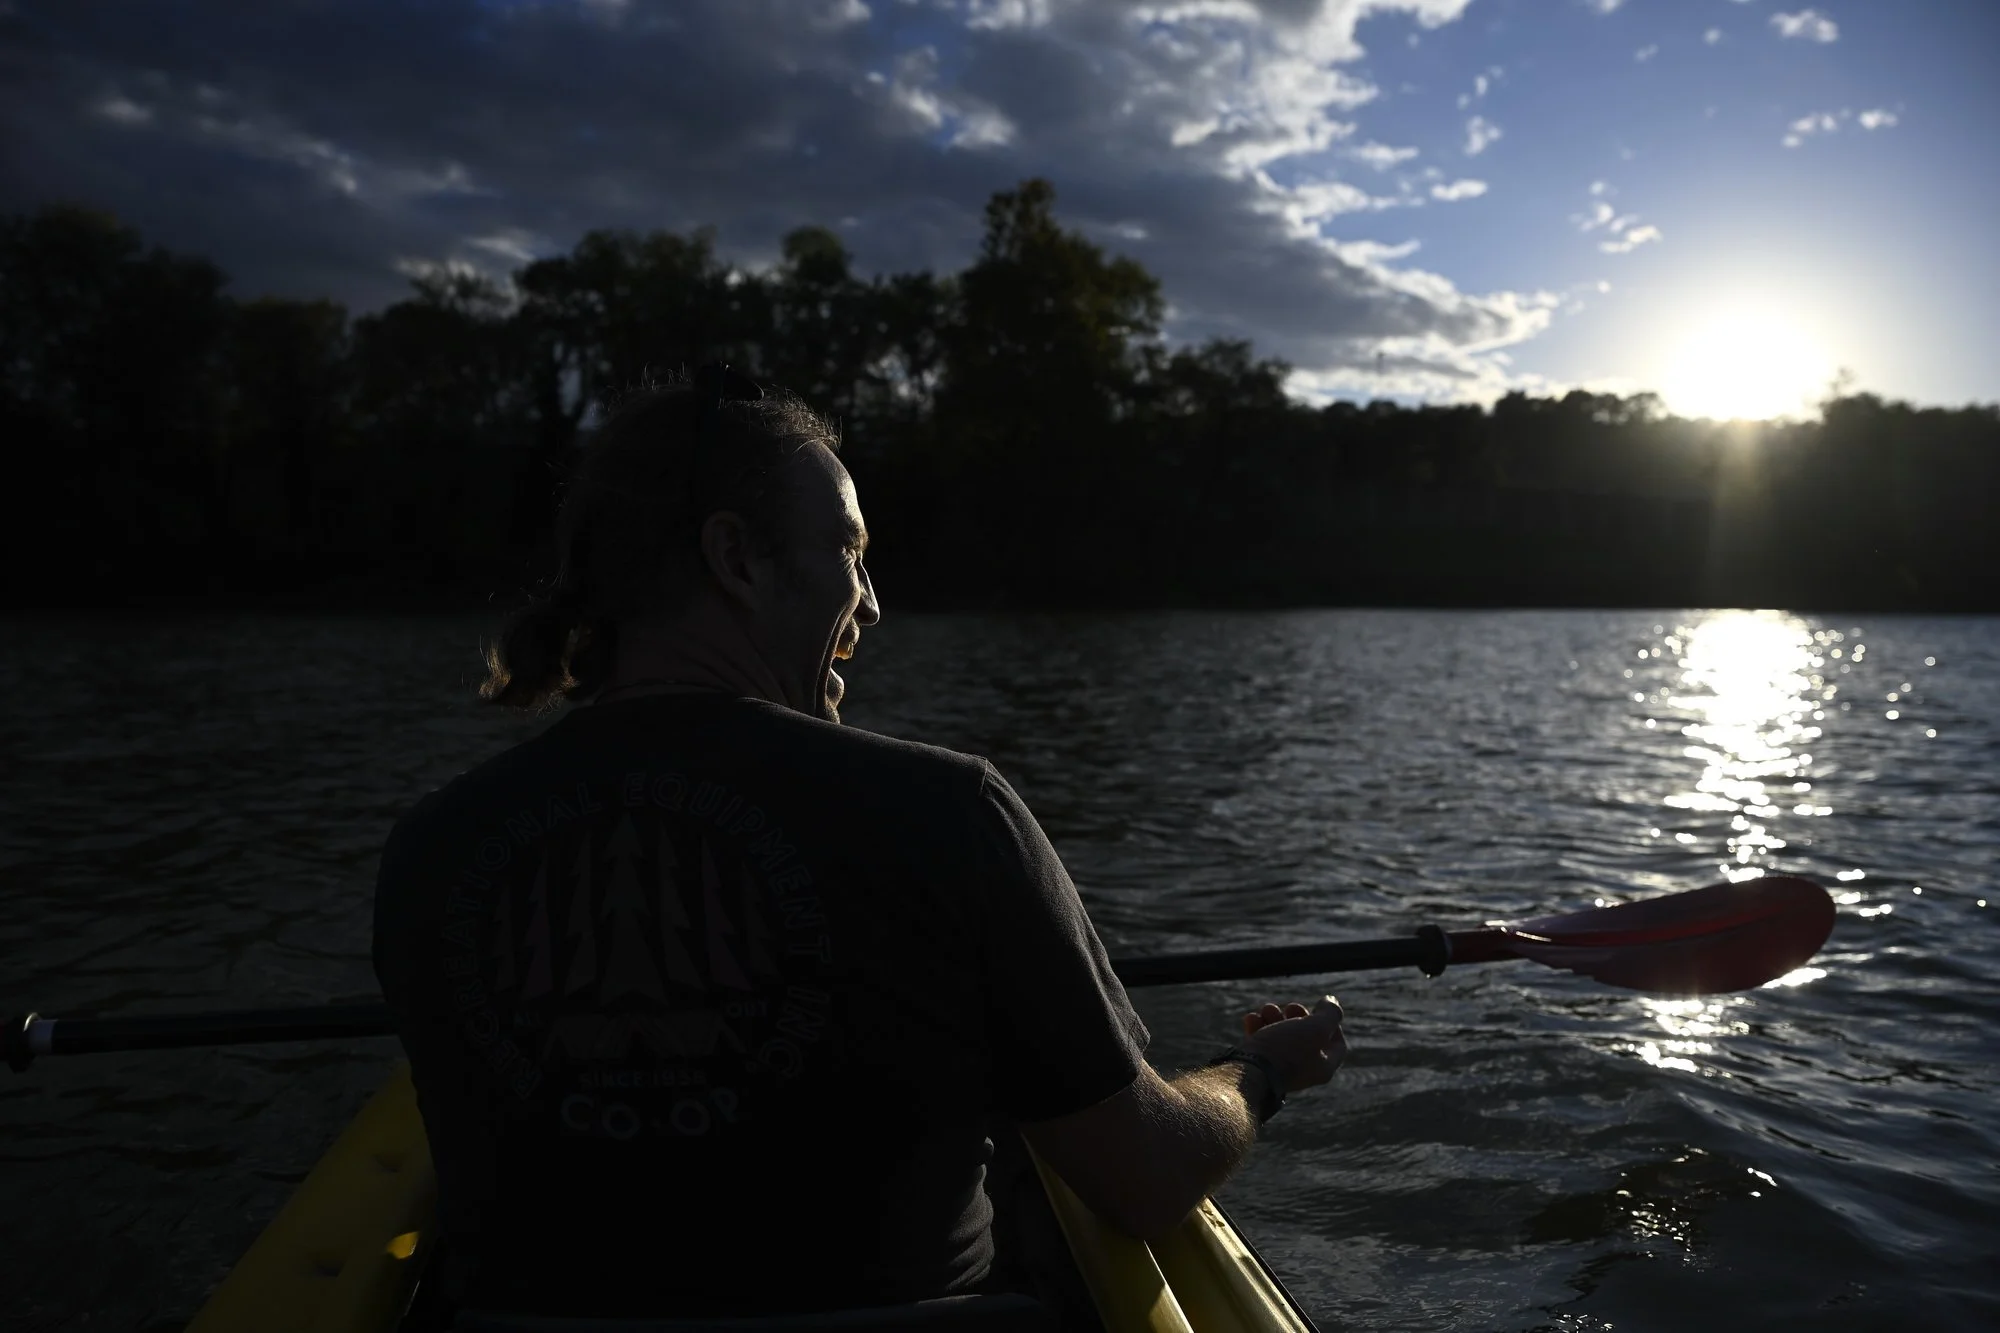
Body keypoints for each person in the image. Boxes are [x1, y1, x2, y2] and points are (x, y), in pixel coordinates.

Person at [372, 364, 1349, 1321]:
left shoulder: (431, 847)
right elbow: (1144, 1176)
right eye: (848, 549)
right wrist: (1260, 1073)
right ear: (737, 559)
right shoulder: (948, 811)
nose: (869, 604)